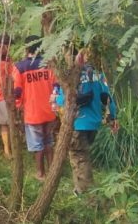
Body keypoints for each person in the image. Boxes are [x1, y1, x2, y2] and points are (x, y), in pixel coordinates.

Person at [56, 60, 118, 194]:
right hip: (93, 124)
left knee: (79, 157)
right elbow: (107, 98)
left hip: (77, 123)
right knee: (81, 157)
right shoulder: (97, 75)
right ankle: (79, 188)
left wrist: (55, 98)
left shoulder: (69, 77)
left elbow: (63, 100)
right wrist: (113, 118)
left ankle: (88, 195)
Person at [14, 35, 59, 180]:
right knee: (49, 141)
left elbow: (17, 91)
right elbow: (56, 86)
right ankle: (53, 172)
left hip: (33, 113)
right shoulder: (48, 64)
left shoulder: (20, 67)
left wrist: (17, 106)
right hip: (49, 111)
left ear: (26, 48)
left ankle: (40, 174)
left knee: (37, 145)